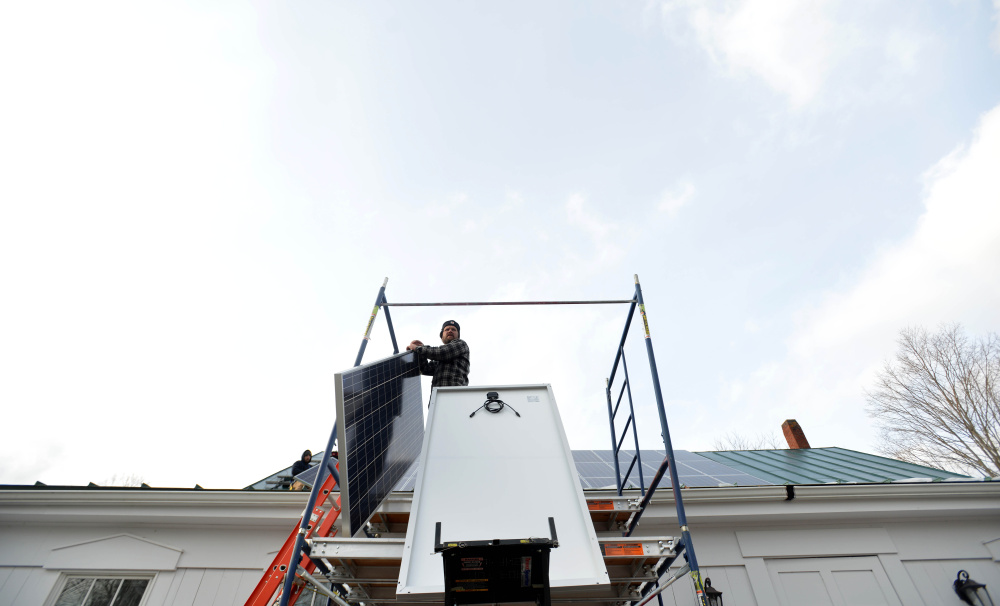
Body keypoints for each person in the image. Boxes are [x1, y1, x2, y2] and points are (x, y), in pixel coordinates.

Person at [406, 320, 470, 387]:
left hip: (454, 393)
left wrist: (417, 348)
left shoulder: (461, 344)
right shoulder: (440, 361)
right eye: (447, 329)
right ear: (442, 335)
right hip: (438, 395)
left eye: (453, 329)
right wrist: (421, 354)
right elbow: (425, 369)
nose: (450, 331)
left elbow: (441, 352)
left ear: (458, 335)